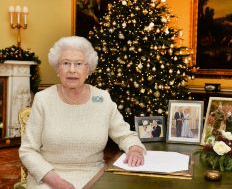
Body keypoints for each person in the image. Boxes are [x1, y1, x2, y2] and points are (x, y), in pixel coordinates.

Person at [19, 36, 146, 189]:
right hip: (49, 179)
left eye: (78, 64)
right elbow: (28, 151)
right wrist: (57, 183)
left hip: (95, 178)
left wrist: (135, 150)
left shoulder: (102, 99)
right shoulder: (43, 100)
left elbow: (125, 135)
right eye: (66, 63)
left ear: (88, 69)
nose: (72, 70)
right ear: (58, 68)